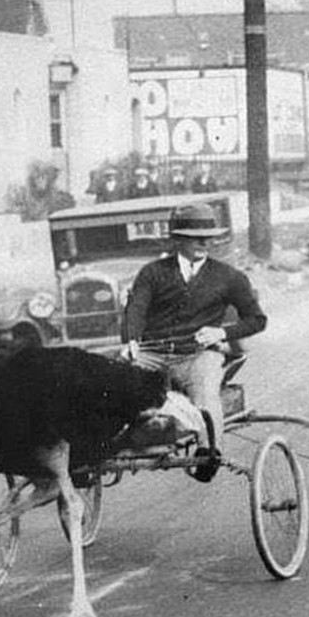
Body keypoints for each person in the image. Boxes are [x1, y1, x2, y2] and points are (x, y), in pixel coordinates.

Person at [123, 202, 267, 480]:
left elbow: (257, 320)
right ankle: (100, 443)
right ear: (177, 240)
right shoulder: (152, 273)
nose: (204, 242)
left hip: (198, 354)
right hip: (152, 353)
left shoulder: (230, 277)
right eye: (194, 237)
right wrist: (131, 341)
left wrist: (221, 333)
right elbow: (136, 308)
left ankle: (207, 452)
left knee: (205, 391)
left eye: (208, 236)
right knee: (115, 381)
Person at [6, 160, 75, 222]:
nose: (41, 181)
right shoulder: (25, 199)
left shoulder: (59, 197)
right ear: (32, 181)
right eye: (37, 178)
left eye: (43, 177)